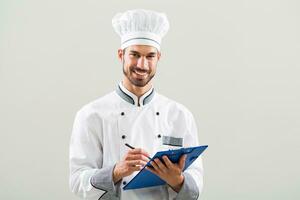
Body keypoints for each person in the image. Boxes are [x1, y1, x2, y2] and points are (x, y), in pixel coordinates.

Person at [69, 9, 204, 200]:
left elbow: (196, 182)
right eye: (134, 54)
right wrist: (116, 171)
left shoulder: (180, 115)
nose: (142, 64)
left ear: (158, 58)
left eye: (150, 56)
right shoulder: (91, 114)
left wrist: (177, 180)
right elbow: (77, 182)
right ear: (120, 55)